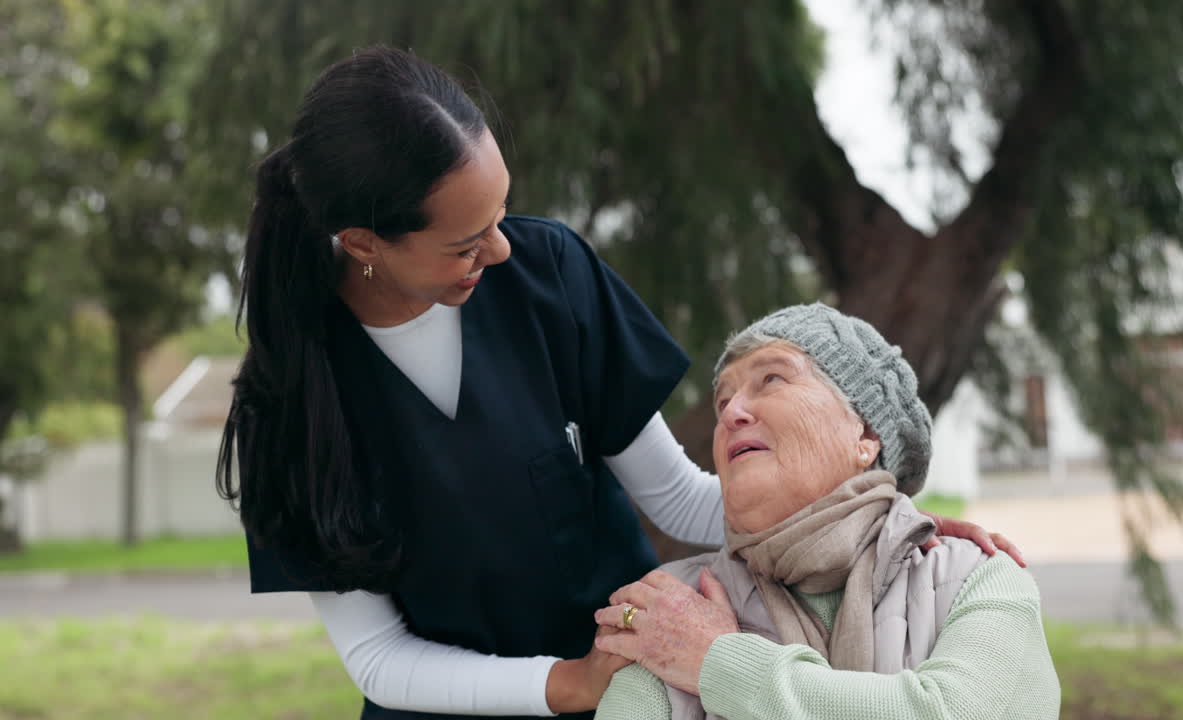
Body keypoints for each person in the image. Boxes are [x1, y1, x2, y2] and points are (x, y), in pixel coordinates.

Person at [216, 47, 1020, 720]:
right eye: (465, 243)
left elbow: (677, 500)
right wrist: (569, 681)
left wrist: (873, 518)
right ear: (364, 242)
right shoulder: (287, 410)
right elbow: (379, 659)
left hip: (633, 692)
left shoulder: (549, 278)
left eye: (502, 214)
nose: (500, 252)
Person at [593, 303, 1060, 720]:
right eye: (723, 400)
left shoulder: (978, 578)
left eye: (771, 378)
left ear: (866, 436)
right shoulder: (670, 609)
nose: (732, 411)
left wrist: (720, 661)